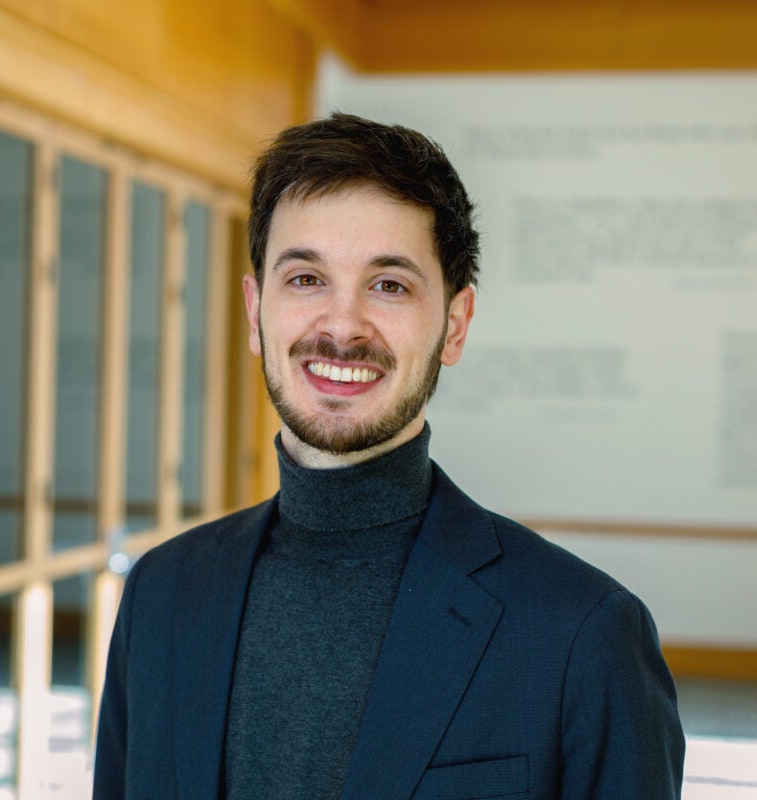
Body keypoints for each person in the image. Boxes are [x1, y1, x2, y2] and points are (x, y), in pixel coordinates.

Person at [93, 112, 685, 799]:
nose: (342, 326)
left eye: (390, 285)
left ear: (454, 326)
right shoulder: (162, 596)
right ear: (256, 309)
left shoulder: (582, 634)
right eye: (306, 278)